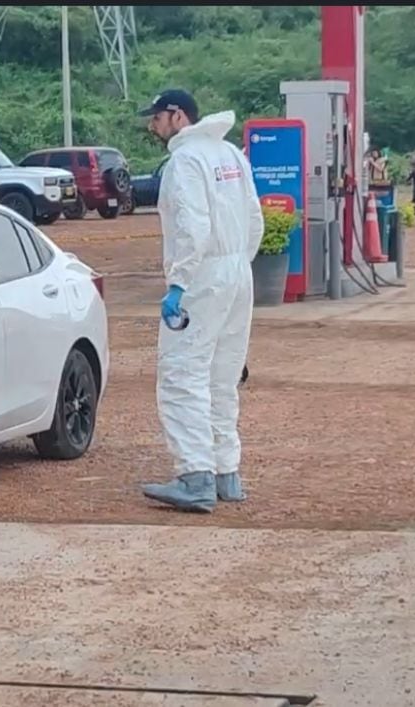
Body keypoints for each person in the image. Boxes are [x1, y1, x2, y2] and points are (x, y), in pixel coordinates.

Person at [135, 90, 264, 513]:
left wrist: (180, 282)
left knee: (182, 374)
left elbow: (192, 226)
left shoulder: (185, 161)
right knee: (221, 377)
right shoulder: (231, 154)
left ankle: (195, 476)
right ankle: (227, 473)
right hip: (238, 272)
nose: (152, 126)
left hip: (203, 276)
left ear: (177, 116)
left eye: (157, 118)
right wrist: (238, 266)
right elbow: (254, 219)